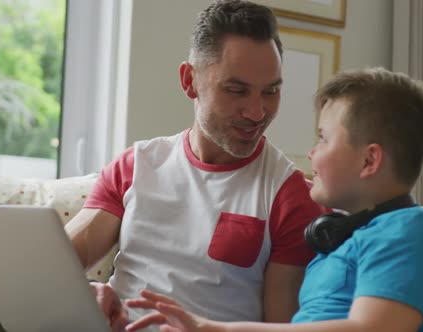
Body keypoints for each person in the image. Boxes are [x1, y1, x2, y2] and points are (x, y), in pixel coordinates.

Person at [123, 67, 423, 332]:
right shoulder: (348, 239)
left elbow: (369, 330)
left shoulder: (410, 234)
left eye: (323, 139)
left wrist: (217, 329)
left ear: (369, 161)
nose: (311, 153)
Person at [64, 1, 330, 331]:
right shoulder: (137, 166)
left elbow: (282, 329)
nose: (257, 112)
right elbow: (55, 266)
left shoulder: (289, 196)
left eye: (271, 91)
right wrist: (86, 293)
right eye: (237, 90)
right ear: (189, 80)